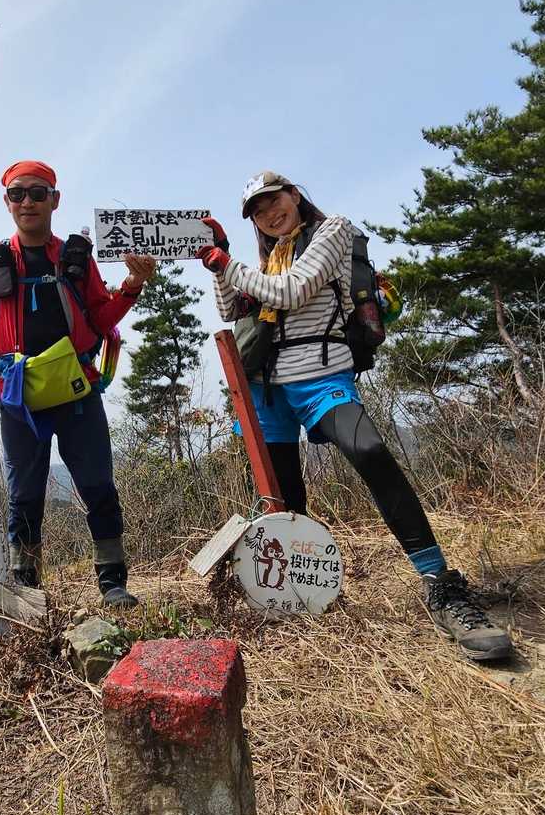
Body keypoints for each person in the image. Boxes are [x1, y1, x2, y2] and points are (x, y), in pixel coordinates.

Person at [199, 171, 513, 663]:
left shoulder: (334, 231)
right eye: (257, 210)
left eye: (273, 200)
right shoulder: (268, 260)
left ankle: (441, 585)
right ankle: (299, 596)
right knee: (284, 500)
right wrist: (217, 261)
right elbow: (229, 308)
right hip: (267, 388)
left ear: (295, 194)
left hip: (322, 377)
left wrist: (227, 263)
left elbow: (292, 291)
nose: (268, 213)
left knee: (370, 452)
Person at [0, 161, 156, 605]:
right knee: (24, 493)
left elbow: (99, 318)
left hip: (76, 387)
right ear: (6, 202)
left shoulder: (75, 258)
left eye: (38, 193)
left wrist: (132, 285)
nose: (27, 202)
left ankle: (112, 582)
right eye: (17, 194)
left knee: (97, 484)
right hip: (18, 394)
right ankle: (27, 589)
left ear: (55, 200)